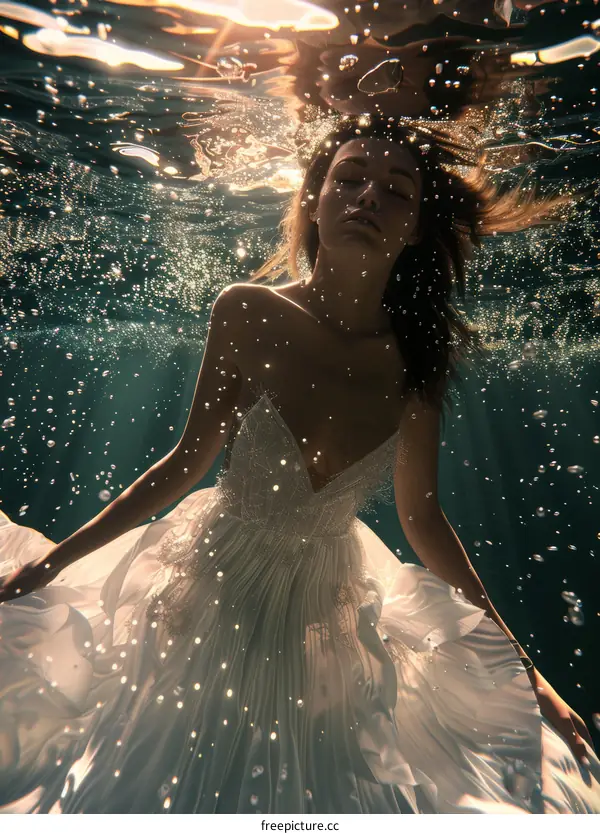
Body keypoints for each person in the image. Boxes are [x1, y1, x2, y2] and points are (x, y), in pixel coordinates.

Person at [0, 114, 598, 814]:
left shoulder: (420, 359)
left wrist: (528, 675)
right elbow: (184, 463)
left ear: (415, 229)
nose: (367, 197)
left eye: (395, 191)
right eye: (348, 180)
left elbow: (424, 518)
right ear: (313, 201)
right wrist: (54, 563)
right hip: (211, 587)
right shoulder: (247, 310)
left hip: (325, 614)